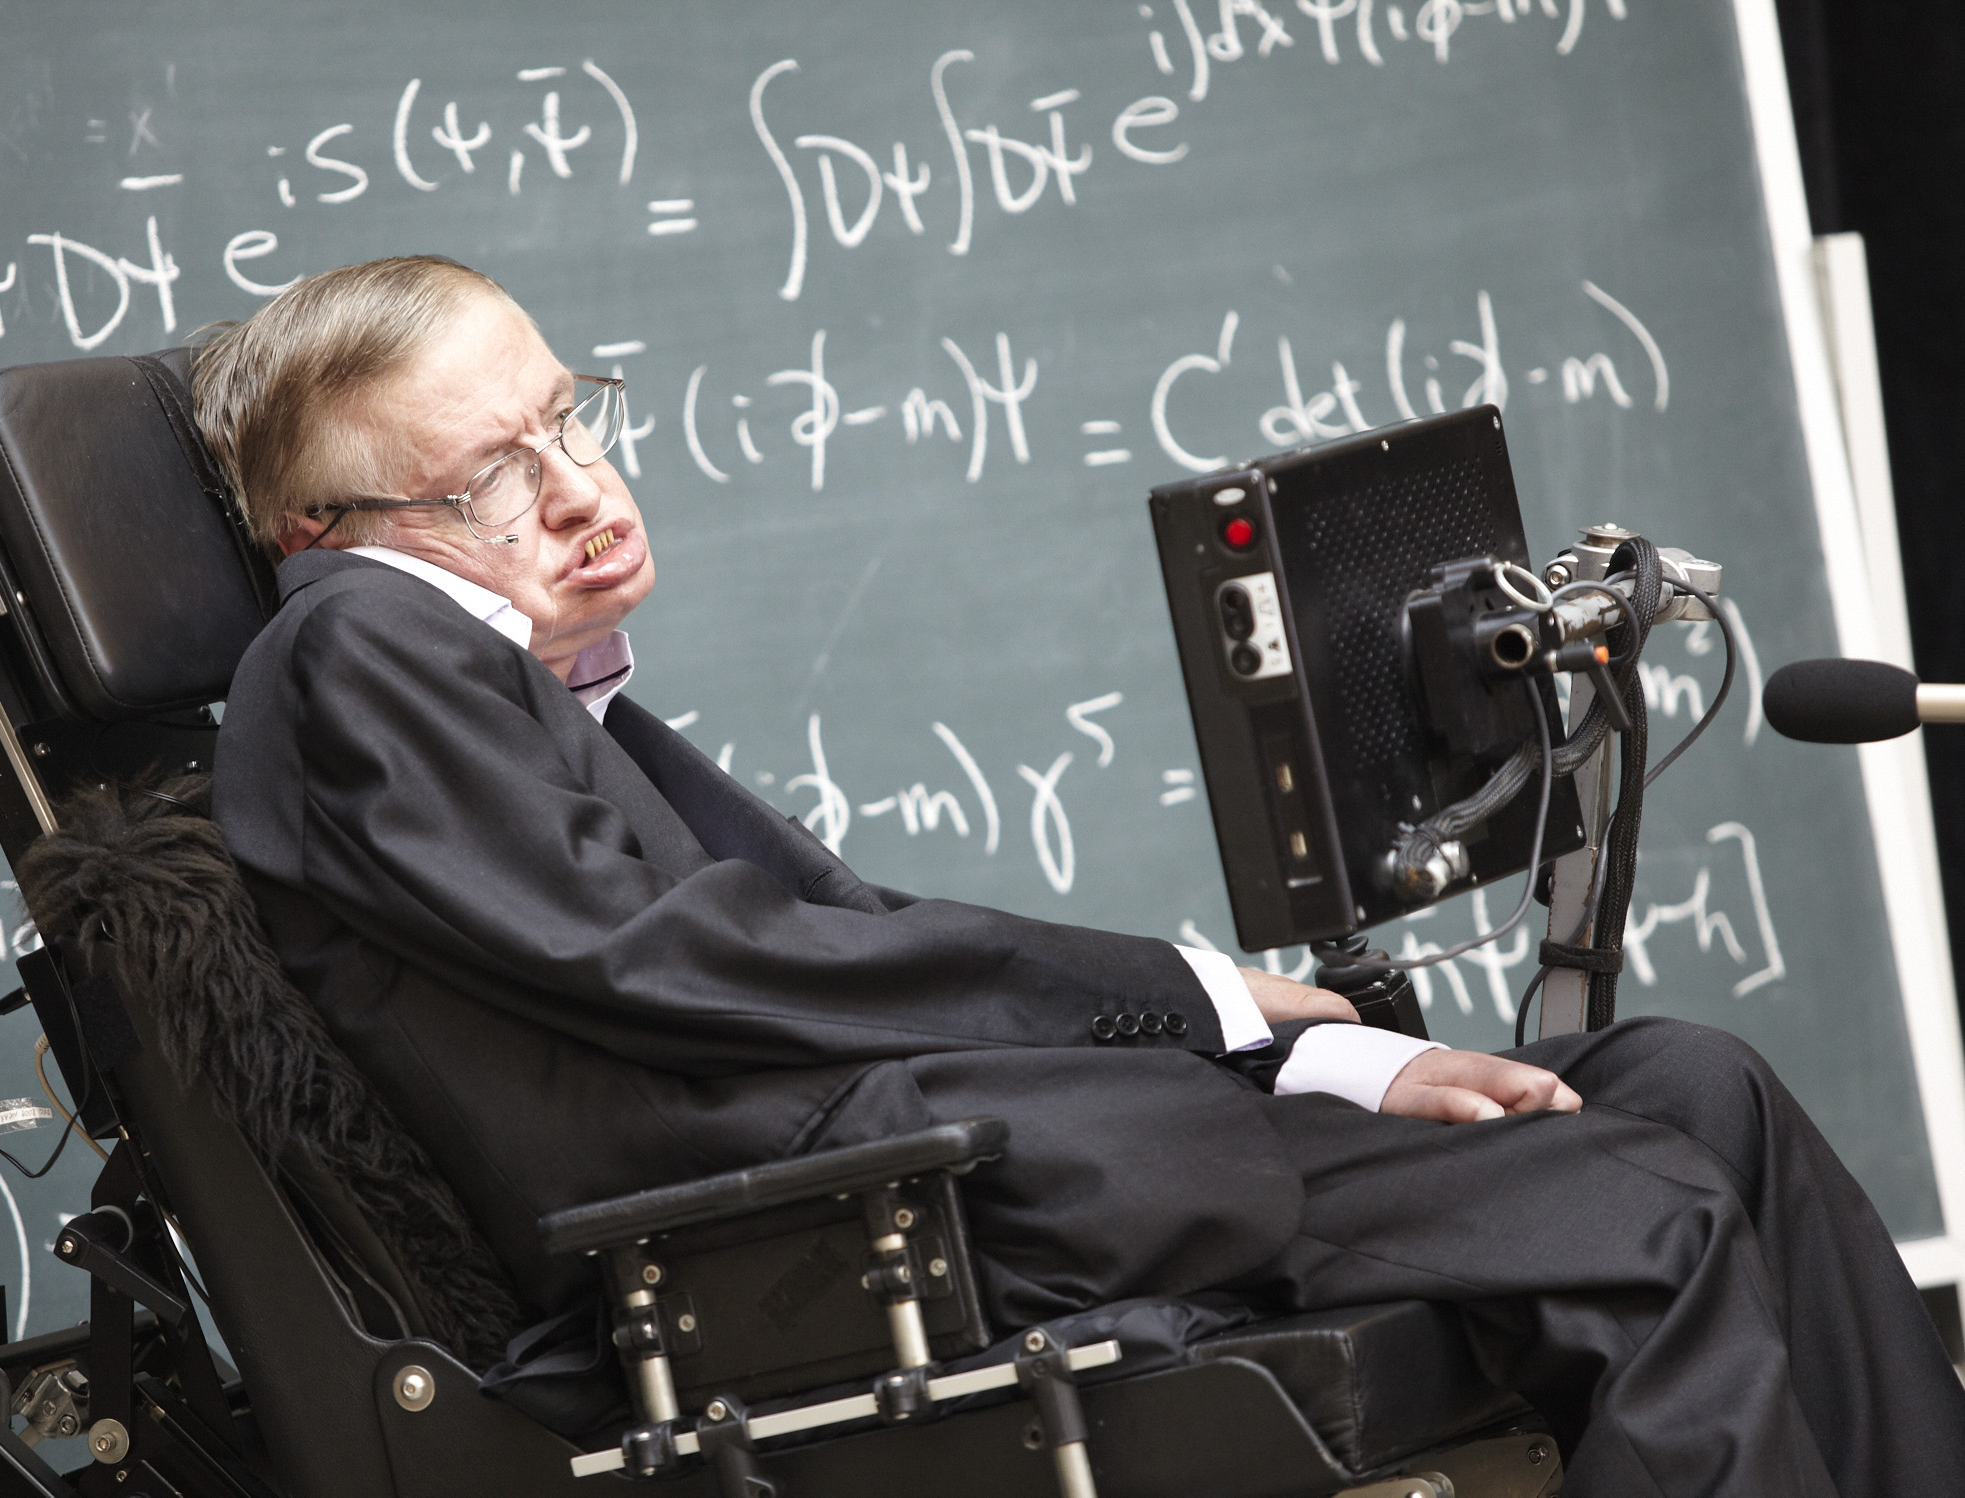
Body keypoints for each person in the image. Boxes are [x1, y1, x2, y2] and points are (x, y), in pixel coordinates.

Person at [200, 256, 1964, 1497]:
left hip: (968, 1154)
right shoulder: (354, 642)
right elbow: (680, 959)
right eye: (495, 473)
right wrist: (1192, 996)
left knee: (1686, 1086)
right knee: (1637, 1212)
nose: (579, 488)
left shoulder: (524, 690)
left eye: (570, 418)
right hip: (870, 1221)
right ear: (320, 531)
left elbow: (818, 940)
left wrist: (1312, 1048)